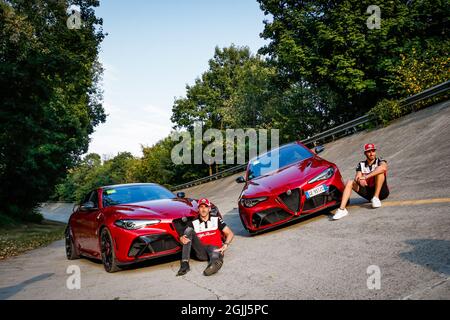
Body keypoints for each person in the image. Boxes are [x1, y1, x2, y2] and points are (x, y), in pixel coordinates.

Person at [176, 198, 234, 276]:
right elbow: (183, 234)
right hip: (201, 252)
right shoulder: (194, 222)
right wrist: (181, 238)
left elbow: (230, 233)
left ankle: (213, 264)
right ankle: (185, 264)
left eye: (205, 207)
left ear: (209, 209)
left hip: (215, 249)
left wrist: (225, 244)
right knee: (188, 231)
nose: (203, 209)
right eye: (201, 207)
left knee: (213, 250)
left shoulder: (216, 219)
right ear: (198, 209)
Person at [333, 143, 389, 220]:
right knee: (350, 182)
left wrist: (365, 177)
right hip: (369, 193)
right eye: (369, 151)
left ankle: (376, 198)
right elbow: (357, 177)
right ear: (365, 153)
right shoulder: (361, 164)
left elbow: (383, 168)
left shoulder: (380, 160)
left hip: (382, 192)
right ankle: (342, 210)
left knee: (380, 172)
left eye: (373, 151)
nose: (371, 153)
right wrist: (359, 180)